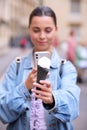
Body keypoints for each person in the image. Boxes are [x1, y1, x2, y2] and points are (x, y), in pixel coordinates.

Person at [0, 6, 80, 130]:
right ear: (29, 30)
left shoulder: (66, 68)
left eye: (48, 30)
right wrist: (25, 87)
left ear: (56, 30)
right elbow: (3, 113)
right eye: (36, 30)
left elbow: (72, 108)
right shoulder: (16, 66)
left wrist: (53, 100)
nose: (42, 36)